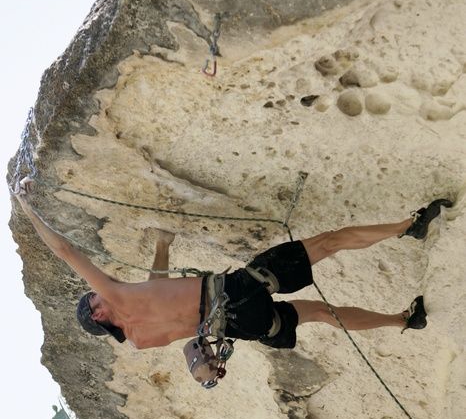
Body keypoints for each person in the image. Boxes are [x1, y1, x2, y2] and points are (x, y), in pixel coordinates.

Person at [13, 177, 452, 350]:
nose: (99, 288)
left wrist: (163, 246)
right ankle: (405, 227)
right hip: (235, 290)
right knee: (326, 243)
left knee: (320, 313)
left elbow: (156, 290)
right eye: (93, 296)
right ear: (98, 312)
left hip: (243, 326)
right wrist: (26, 205)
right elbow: (66, 253)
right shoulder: (115, 297)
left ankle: (401, 320)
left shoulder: (141, 337)